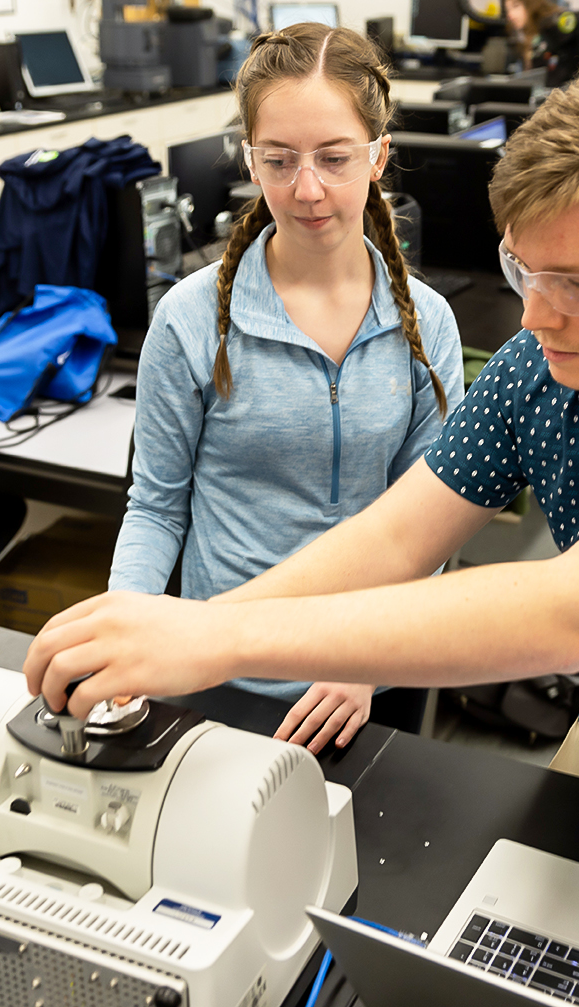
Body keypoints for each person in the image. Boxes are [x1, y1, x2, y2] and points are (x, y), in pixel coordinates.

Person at [28, 47, 579, 864]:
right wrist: (174, 628)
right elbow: (394, 540)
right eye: (522, 271)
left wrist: (214, 634)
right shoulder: (544, 364)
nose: (534, 318)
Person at [105, 23, 463, 754]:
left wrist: (367, 658)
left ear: (378, 154)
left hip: (367, 686)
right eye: (279, 159)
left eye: (334, 158)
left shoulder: (427, 325)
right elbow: (156, 508)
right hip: (224, 674)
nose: (306, 190)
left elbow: (430, 526)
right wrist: (125, 632)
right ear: (249, 158)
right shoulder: (191, 319)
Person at [506, 0, 579, 87]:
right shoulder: (532, 39)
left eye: (515, 6)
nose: (510, 15)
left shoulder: (551, 27)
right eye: (507, 9)